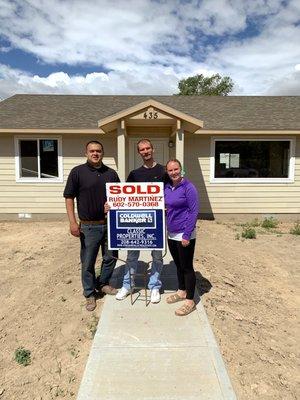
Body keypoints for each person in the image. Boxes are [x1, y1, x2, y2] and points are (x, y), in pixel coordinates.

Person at [63, 141, 120, 311]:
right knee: (88, 262)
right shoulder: (77, 172)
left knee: (110, 257)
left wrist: (113, 205)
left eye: (98, 151)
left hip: (110, 225)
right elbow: (68, 197)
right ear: (86, 152)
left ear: (103, 153)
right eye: (92, 151)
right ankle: (89, 293)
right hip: (88, 227)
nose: (95, 153)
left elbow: (120, 198)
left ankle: (103, 283)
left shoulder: (111, 174)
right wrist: (73, 222)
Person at [116, 139, 166, 303]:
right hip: (137, 221)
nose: (145, 151)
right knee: (132, 255)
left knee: (157, 256)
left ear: (153, 149)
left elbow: (170, 194)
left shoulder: (164, 171)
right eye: (142, 149)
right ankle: (128, 285)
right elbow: (124, 198)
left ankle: (154, 287)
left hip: (157, 222)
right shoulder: (134, 174)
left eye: (148, 148)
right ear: (139, 152)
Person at [164, 159, 199, 316]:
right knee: (178, 265)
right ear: (167, 172)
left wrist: (186, 234)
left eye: (176, 169)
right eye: (170, 170)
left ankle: (190, 300)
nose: (173, 172)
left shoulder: (188, 187)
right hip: (171, 232)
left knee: (187, 267)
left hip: (185, 233)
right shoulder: (167, 188)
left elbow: (193, 211)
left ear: (181, 169)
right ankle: (182, 291)